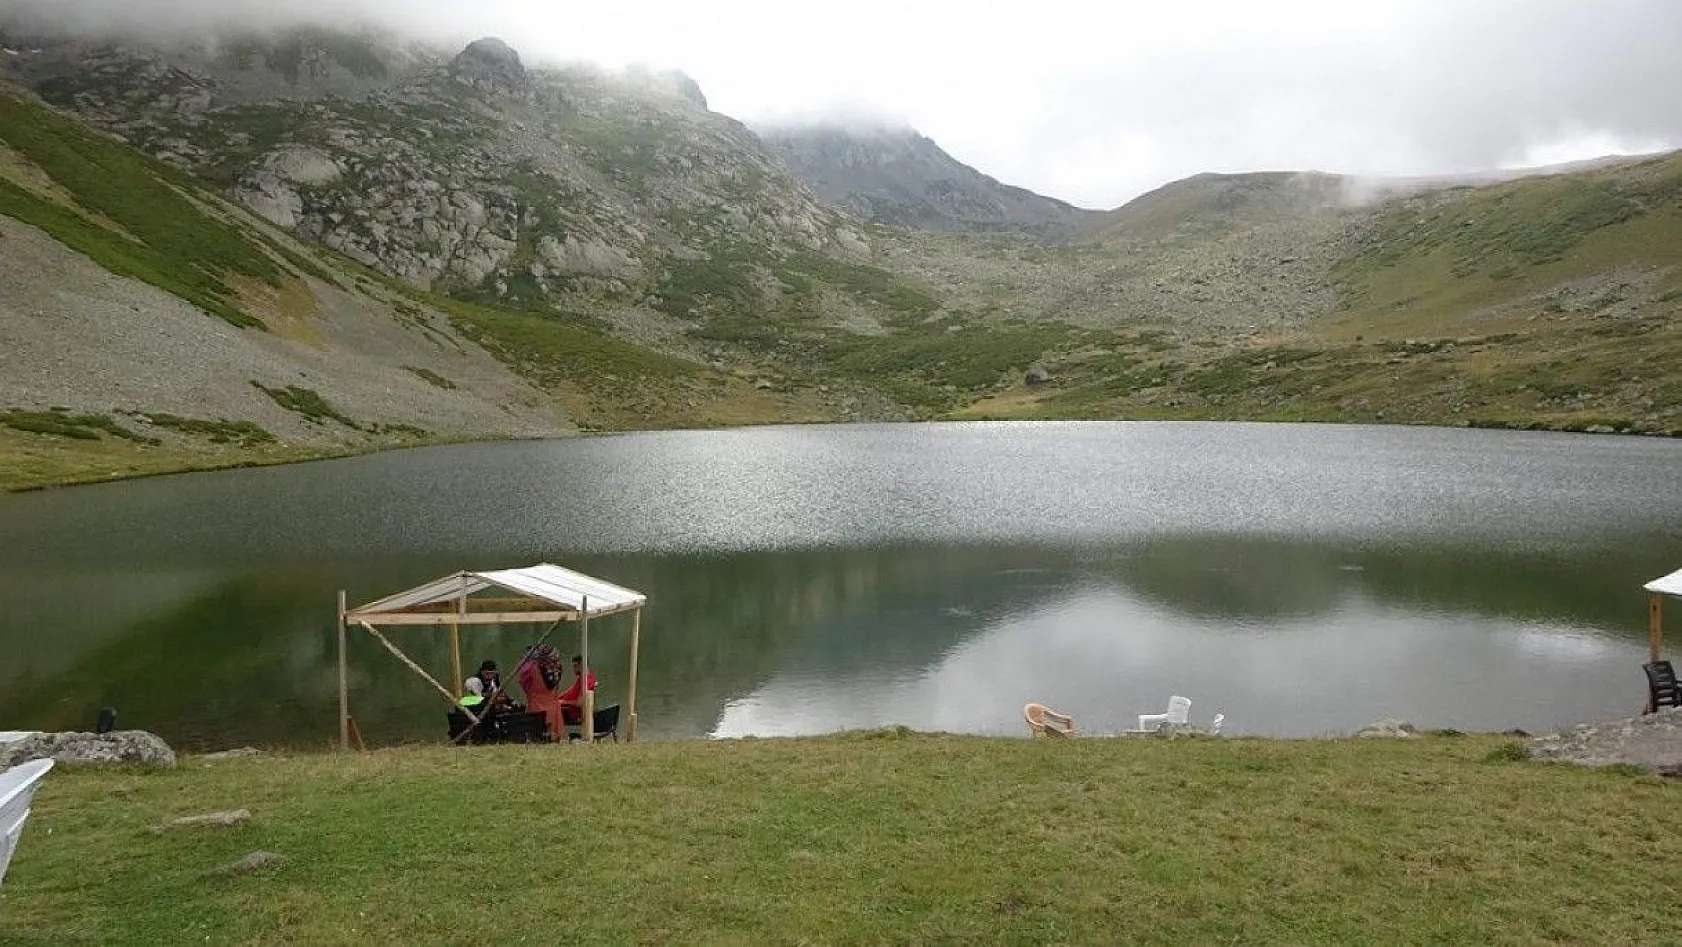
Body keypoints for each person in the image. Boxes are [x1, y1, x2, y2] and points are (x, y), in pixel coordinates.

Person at [517, 645, 564, 739]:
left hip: (536, 708)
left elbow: (521, 681)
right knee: (553, 737)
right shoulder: (557, 669)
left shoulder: (530, 670)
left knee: (539, 737)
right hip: (553, 708)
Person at [559, 654, 597, 729]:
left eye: (576, 666)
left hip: (575, 713)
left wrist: (562, 702)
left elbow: (580, 703)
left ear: (582, 665)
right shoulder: (581, 678)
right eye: (573, 666)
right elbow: (570, 691)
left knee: (550, 711)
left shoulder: (587, 681)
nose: (574, 669)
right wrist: (556, 698)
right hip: (568, 708)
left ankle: (551, 735)